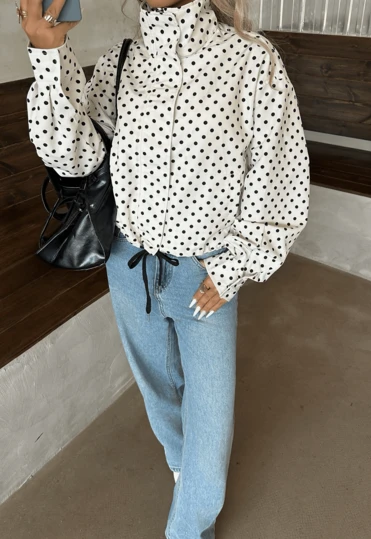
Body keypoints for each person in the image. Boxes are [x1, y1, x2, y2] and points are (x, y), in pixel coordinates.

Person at [19, 0, 310, 537]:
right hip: (128, 265)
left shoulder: (252, 60)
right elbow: (76, 159)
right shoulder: (122, 59)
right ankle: (182, 468)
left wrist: (236, 267)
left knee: (211, 415)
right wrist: (48, 51)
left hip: (206, 274)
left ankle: (188, 525)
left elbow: (278, 177)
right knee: (157, 389)